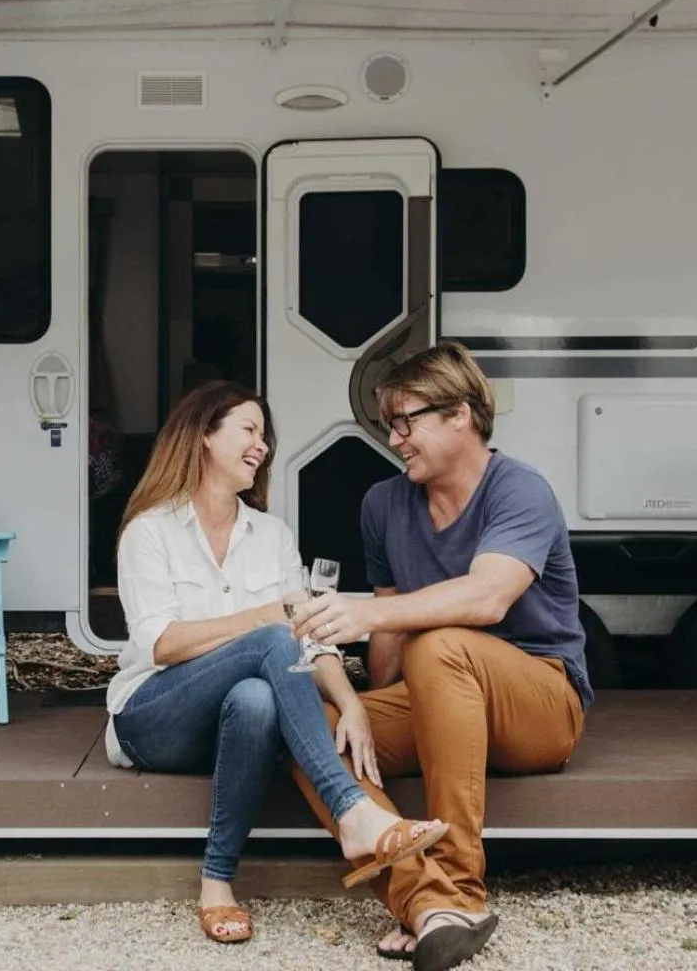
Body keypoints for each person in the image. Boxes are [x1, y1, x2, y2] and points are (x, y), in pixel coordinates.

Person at [106, 379, 449, 945]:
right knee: (270, 636)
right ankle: (353, 813)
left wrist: (351, 705)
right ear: (203, 436)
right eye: (248, 430)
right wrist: (265, 617)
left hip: (236, 721)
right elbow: (162, 644)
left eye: (264, 436)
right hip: (154, 715)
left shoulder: (272, 535)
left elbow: (308, 638)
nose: (262, 446)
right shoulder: (150, 531)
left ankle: (217, 882)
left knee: (257, 697)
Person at [290, 342, 590, 970]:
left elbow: (487, 598)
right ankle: (425, 901)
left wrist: (365, 615)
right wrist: (366, 709)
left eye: (407, 421)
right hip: (440, 694)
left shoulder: (521, 490)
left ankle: (460, 887)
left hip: (540, 703)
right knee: (306, 725)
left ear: (461, 414)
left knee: (440, 644)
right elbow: (390, 640)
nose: (395, 439)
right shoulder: (383, 504)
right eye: (389, 424)